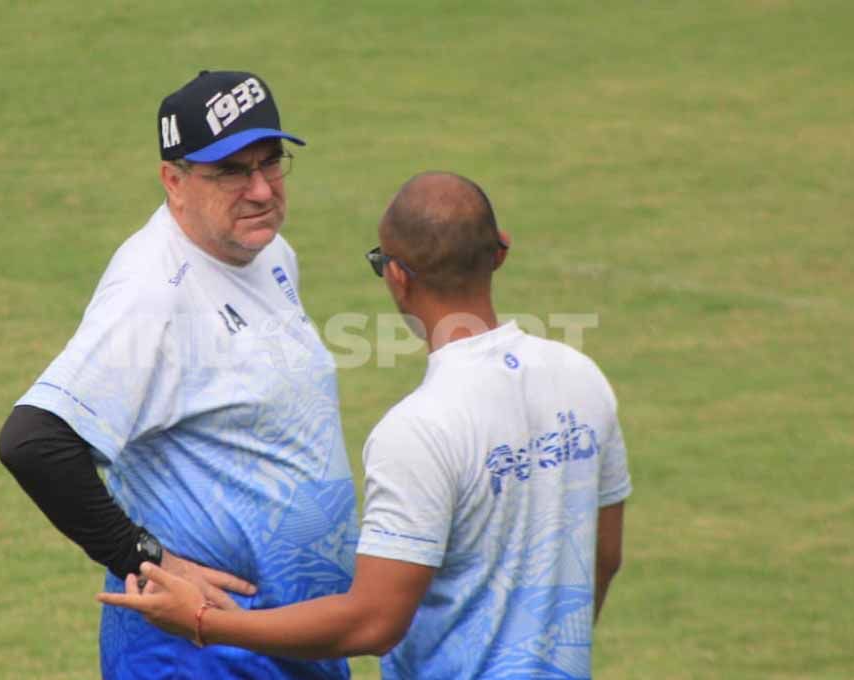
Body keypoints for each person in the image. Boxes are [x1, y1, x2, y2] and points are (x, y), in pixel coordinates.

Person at [99, 172, 633, 679]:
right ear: (501, 251)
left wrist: (201, 621)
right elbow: (605, 558)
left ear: (397, 277)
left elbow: (373, 622)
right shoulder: (583, 379)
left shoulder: (420, 430)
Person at [0, 70, 359, 680]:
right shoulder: (151, 294)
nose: (262, 190)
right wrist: (143, 555)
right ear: (174, 180)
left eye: (271, 163)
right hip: (196, 651)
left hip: (291, 639)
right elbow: (34, 441)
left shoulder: (266, 251)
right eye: (231, 172)